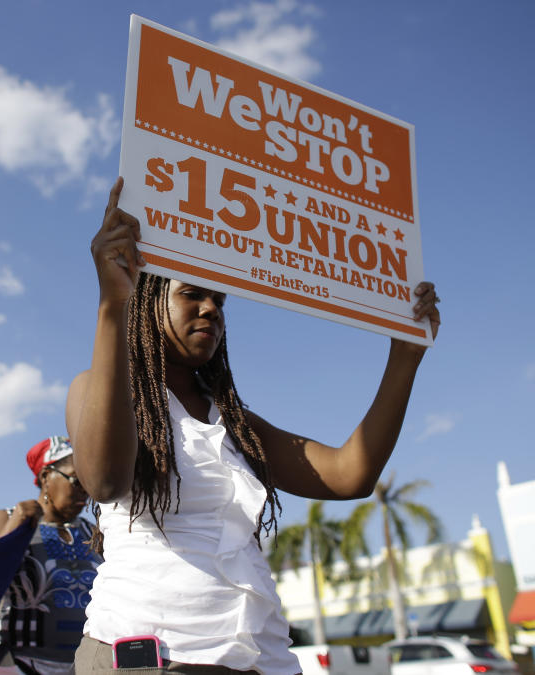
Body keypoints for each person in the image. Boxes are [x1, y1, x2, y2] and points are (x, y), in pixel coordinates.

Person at [65, 178, 441, 674]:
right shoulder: (98, 388)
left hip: (257, 658)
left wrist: (405, 358)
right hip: (150, 654)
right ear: (147, 301)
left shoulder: (236, 425)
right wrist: (112, 305)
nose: (211, 309)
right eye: (193, 295)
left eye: (220, 300)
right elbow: (104, 481)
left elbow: (351, 475)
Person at [0, 436, 103, 675]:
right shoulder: (8, 518)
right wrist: (14, 529)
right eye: (76, 480)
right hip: (16, 665)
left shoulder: (90, 532)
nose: (85, 491)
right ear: (45, 477)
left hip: (83, 666)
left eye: (88, 481)